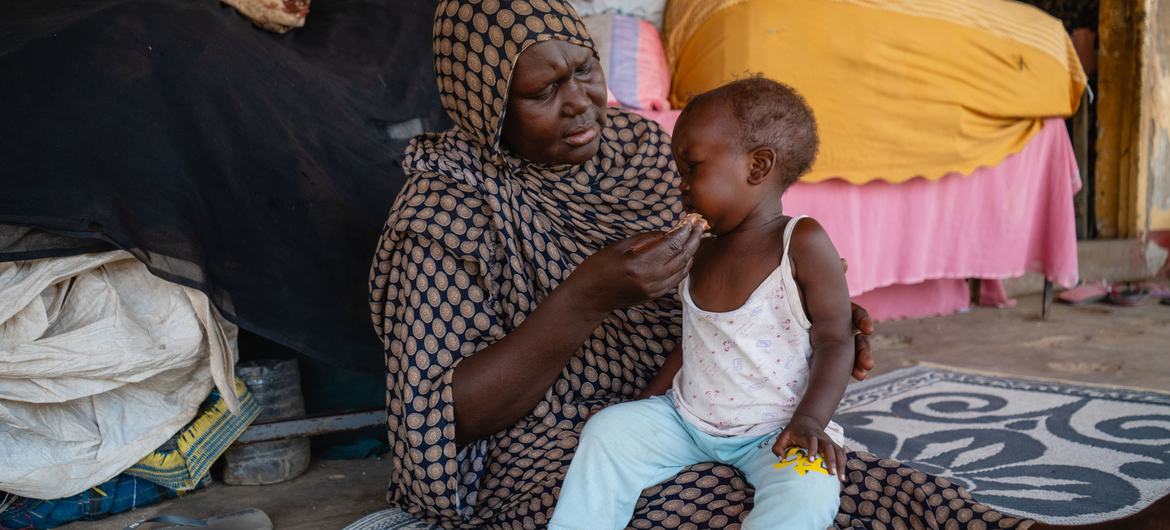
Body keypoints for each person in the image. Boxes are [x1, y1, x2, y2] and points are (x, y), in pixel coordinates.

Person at [369, 0, 1170, 528]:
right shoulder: (447, 210)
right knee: (694, 504)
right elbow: (447, 420)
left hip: (700, 398)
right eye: (544, 92)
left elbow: (736, 275)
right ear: (485, 103)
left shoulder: (638, 152)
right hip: (540, 442)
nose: (582, 103)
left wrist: (807, 308)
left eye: (586, 72)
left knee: (834, 475)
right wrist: (585, 298)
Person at [551, 77, 853, 530]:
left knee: (809, 488)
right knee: (608, 431)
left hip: (777, 428)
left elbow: (835, 337)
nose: (681, 186)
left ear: (757, 167)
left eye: (692, 168)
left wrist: (810, 421)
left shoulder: (801, 242)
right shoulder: (702, 248)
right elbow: (698, 343)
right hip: (688, 420)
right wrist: (646, 406)